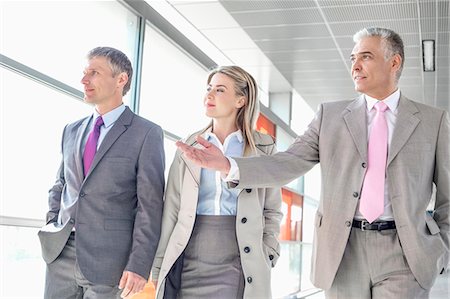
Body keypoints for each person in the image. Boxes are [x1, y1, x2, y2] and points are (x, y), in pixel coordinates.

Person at [176, 28, 450, 299]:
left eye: (365, 57)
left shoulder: (433, 121)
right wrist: (228, 165)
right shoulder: (329, 116)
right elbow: (289, 162)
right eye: (352, 58)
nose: (355, 65)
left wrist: (441, 248)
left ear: (394, 62)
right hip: (342, 251)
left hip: (404, 252)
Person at [38, 47, 165, 299]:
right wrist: (53, 223)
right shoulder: (71, 130)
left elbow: (149, 206)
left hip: (110, 262)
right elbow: (61, 185)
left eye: (94, 73)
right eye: (84, 73)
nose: (84, 80)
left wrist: (139, 264)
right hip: (60, 253)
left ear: (121, 79)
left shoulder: (146, 133)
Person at [151, 66, 282, 298]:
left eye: (220, 90)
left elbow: (271, 209)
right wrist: (159, 264)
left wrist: (269, 252)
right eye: (209, 88)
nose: (209, 95)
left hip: (240, 256)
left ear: (241, 100)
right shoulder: (189, 146)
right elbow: (171, 208)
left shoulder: (263, 147)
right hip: (189, 254)